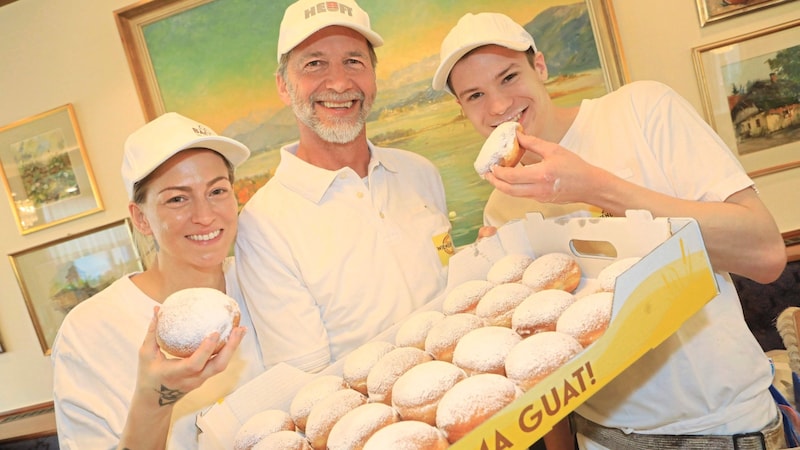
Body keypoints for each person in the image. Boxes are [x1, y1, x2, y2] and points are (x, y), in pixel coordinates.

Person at [432, 11, 788, 450]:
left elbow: (767, 254)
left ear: (540, 67)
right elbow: (543, 368)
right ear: (461, 108)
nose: (499, 106)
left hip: (720, 427)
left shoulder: (641, 110)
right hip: (599, 437)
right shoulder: (501, 206)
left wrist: (594, 185)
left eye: (509, 77)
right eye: (475, 95)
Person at [236, 0, 453, 374]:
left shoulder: (419, 173)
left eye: (354, 61)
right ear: (283, 87)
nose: (339, 82)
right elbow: (307, 378)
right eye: (314, 64)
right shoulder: (263, 224)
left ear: (373, 76)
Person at [51, 112, 265, 449]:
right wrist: (156, 400)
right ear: (141, 218)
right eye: (177, 198)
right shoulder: (90, 331)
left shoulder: (262, 280)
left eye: (217, 190)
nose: (205, 215)